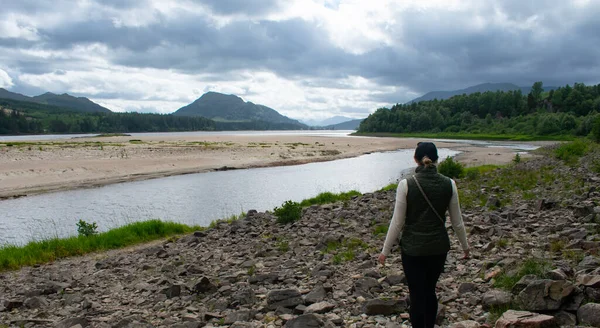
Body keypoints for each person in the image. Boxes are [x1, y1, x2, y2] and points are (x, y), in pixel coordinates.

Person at [378, 142, 470, 328]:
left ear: (415, 159)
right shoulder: (449, 184)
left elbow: (397, 222)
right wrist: (465, 247)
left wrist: (385, 251)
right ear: (437, 159)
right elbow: (457, 221)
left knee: (416, 294)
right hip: (438, 249)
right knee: (429, 291)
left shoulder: (406, 184)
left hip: (412, 250)